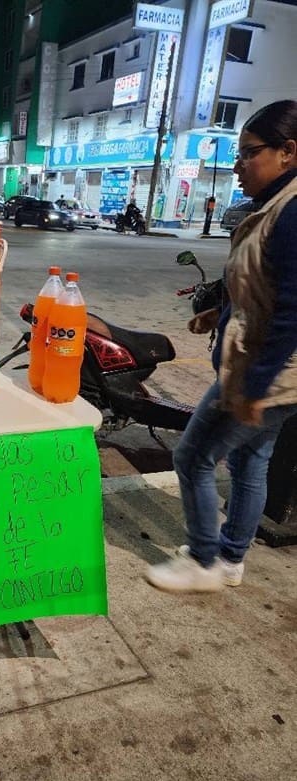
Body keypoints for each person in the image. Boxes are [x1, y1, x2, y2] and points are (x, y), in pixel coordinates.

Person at [146, 99, 297, 593]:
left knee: (192, 457)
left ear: (287, 152)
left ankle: (204, 559)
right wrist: (220, 311)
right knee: (253, 460)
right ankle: (231, 557)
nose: (238, 166)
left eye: (249, 153)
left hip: (266, 373)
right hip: (270, 372)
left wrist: (253, 387)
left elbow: (293, 312)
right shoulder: (273, 206)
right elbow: (264, 287)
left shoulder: (292, 213)